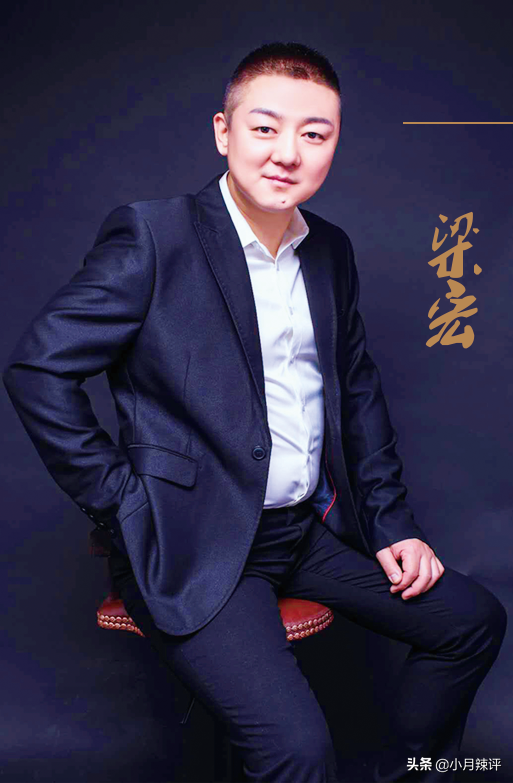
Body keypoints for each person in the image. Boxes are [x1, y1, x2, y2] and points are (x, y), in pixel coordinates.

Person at [3, 41, 506, 783]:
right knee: (296, 751)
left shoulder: (328, 250)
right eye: (264, 127)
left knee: (471, 621)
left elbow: (356, 392)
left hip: (302, 532)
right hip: (191, 541)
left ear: (334, 143)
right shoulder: (154, 236)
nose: (287, 153)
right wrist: (123, 503)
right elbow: (37, 369)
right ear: (224, 132)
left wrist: (392, 524)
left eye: (314, 133)